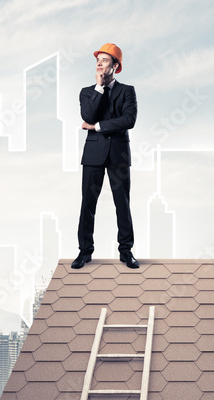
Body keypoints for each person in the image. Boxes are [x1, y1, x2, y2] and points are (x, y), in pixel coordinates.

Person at [71, 43, 139, 269]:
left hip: (118, 155)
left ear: (116, 66)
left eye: (105, 60)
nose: (99, 63)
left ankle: (126, 251)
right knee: (88, 204)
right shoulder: (87, 92)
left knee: (123, 204)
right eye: (98, 60)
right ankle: (84, 251)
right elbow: (88, 114)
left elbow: (128, 120)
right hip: (93, 156)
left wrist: (97, 126)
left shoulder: (127, 91)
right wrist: (99, 88)